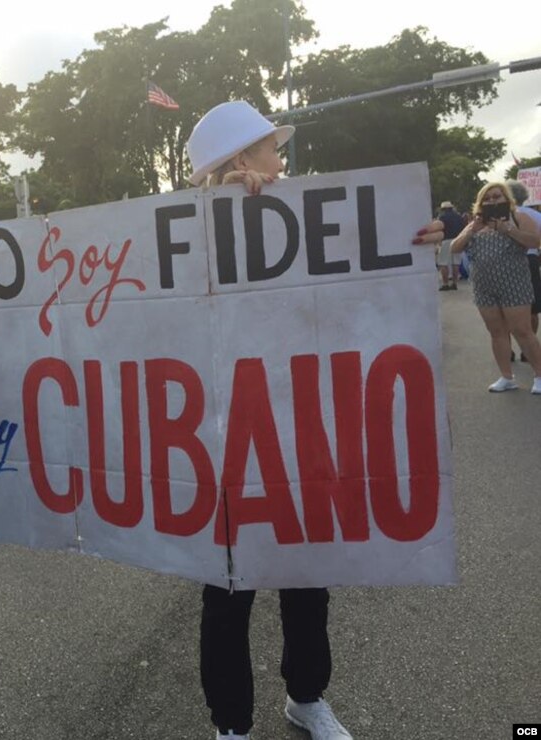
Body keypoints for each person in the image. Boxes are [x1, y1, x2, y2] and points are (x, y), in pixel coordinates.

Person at [185, 100, 444, 740]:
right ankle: (231, 726)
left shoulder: (308, 216)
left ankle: (307, 696)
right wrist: (227, 212)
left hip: (300, 429)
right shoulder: (184, 229)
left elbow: (357, 296)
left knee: (307, 578)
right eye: (272, 148)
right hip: (223, 440)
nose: (282, 159)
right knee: (227, 593)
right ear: (242, 159)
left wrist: (410, 240)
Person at [450, 181, 541, 393]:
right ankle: (506, 376)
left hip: (514, 283)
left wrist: (507, 229)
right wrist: (471, 231)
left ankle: (539, 374)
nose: (492, 200)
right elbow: (455, 247)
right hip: (484, 286)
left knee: (522, 331)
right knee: (496, 332)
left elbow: (534, 241)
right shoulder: (475, 223)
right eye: (487, 198)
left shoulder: (517, 217)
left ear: (506, 198)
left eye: (497, 196)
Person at [507, 180, 541, 360]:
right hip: (532, 259)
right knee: (533, 307)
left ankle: (508, 349)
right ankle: (529, 349)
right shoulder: (535, 215)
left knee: (507, 307)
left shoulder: (505, 216)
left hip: (508, 262)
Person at [436, 201, 464, 290]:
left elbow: (439, 229)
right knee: (455, 263)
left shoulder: (442, 217)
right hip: (457, 239)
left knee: (443, 263)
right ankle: (454, 283)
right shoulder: (459, 217)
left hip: (445, 240)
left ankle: (445, 284)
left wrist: (438, 242)